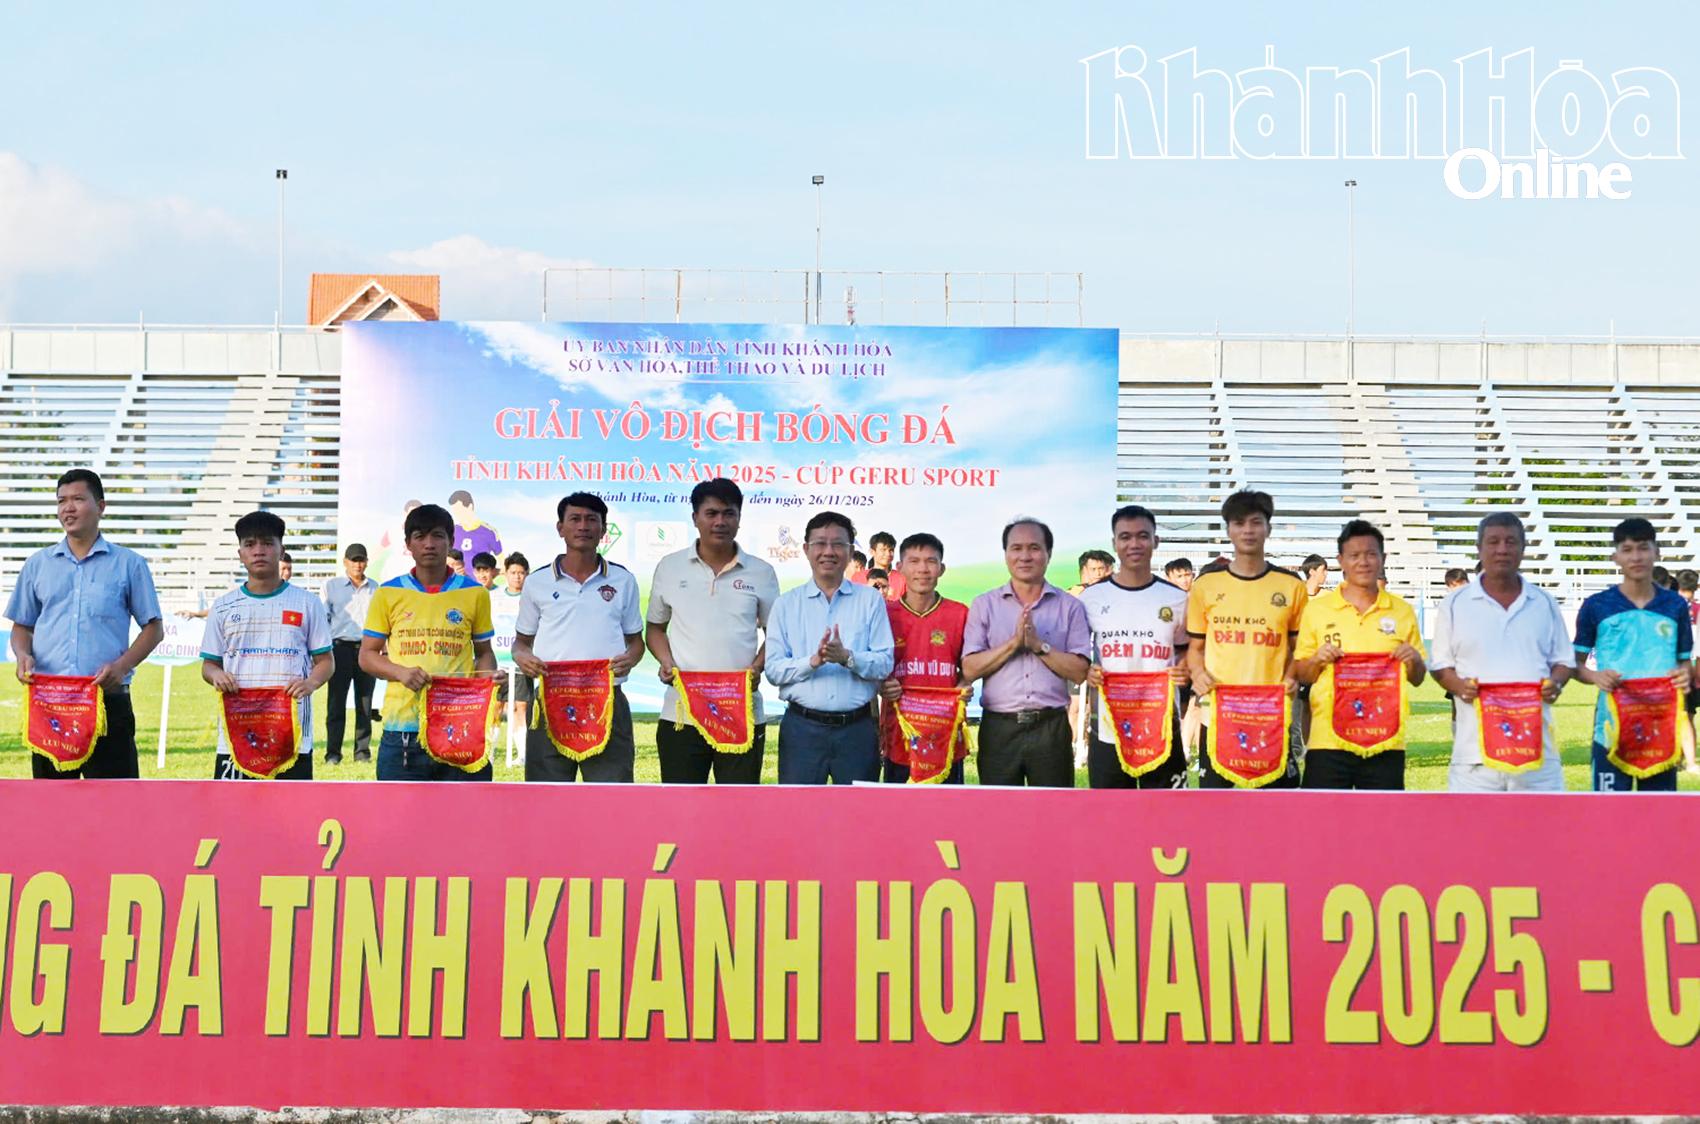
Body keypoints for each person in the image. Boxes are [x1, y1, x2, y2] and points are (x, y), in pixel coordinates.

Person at [6, 468, 163, 779]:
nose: (68, 507)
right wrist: (23, 655)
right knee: (52, 805)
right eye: (61, 500)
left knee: (113, 807)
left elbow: (153, 629)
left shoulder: (129, 565)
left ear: (101, 506)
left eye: (78, 499)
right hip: (50, 704)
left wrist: (120, 667)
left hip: (107, 700)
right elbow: (22, 626)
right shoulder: (38, 565)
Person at [646, 478, 780, 784]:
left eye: (729, 513)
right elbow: (654, 628)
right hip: (681, 713)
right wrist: (667, 662)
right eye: (711, 513)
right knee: (680, 810)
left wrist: (757, 667)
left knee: (738, 813)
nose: (720, 521)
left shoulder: (761, 572)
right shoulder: (670, 566)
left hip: (741, 712)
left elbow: (777, 634)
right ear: (695, 518)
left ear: (739, 518)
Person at [1430, 512, 1573, 792]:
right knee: (1472, 836)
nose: (1502, 549)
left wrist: (1555, 683)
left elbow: (1564, 661)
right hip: (1474, 758)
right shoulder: (1455, 604)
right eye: (1493, 541)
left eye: (1510, 542)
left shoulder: (1543, 602)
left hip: (1537, 755)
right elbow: (1440, 665)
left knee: (1545, 835)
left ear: (1523, 548)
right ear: (1479, 548)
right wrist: (1458, 686)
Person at [511, 493, 644, 782]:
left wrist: (630, 660)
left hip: (607, 701)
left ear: (603, 529)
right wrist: (523, 657)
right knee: (546, 799)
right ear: (560, 528)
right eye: (575, 519)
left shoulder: (623, 580)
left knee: (611, 798)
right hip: (550, 699)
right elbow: (521, 643)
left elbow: (636, 642)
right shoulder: (537, 582)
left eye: (591, 520)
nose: (583, 526)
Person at [359, 503, 498, 781]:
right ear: (408, 544)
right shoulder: (388, 593)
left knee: (466, 820)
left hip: (460, 725)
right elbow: (367, 656)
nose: (429, 544)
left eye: (437, 536)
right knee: (400, 822)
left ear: (451, 541)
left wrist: (486, 679)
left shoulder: (475, 594)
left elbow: (484, 653)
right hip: (403, 731)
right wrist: (400, 672)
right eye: (420, 537)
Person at [1185, 489, 1308, 789]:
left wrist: (1293, 677)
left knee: (1278, 816)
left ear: (1269, 527)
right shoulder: (1206, 586)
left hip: (1272, 717)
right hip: (1218, 718)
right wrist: (1198, 673)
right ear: (1228, 529)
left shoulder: (1291, 587)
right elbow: (1195, 648)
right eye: (1239, 523)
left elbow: (1299, 650)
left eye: (1256, 522)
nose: (1248, 530)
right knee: (1215, 817)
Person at [1292, 520, 1426, 790]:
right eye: (1354, 555)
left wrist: (1413, 660)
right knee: (1320, 826)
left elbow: (1419, 678)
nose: (1363, 562)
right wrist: (1317, 659)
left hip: (1385, 739)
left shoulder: (1401, 611)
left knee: (1382, 827)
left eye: (1371, 554)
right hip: (1327, 740)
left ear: (1383, 558)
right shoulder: (1318, 610)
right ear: (1341, 561)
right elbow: (1301, 672)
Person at [200, 511, 333, 780]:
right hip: (236, 736)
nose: (258, 551)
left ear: (281, 549)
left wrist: (311, 683)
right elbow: (209, 665)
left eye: (267, 543)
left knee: (290, 818)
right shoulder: (223, 606)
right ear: (240, 553)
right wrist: (216, 675)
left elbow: (326, 662)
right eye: (250, 544)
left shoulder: (307, 603)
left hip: (291, 734)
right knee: (233, 817)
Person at [766, 511, 895, 784]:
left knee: (859, 818)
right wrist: (812, 662)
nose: (829, 551)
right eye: (820, 543)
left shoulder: (870, 601)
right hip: (802, 729)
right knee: (798, 816)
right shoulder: (786, 604)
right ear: (805, 549)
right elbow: (774, 670)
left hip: (857, 731)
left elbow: (884, 662)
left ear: (850, 552)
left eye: (838, 544)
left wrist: (847, 657)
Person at [964, 517, 1092, 787]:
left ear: (1048, 554)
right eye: (1016, 548)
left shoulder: (1069, 606)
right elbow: (970, 668)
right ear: (1006, 554)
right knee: (998, 815)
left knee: (1053, 815)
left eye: (1034, 548)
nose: (1025, 556)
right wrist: (1013, 644)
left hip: (1051, 727)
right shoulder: (985, 605)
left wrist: (1038, 646)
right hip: (999, 728)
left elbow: (1080, 672)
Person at [1572, 518, 1696, 791]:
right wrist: (1595, 676)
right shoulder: (1597, 605)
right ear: (1615, 556)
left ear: (1656, 552)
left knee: (1658, 818)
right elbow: (1574, 664)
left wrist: (1683, 676)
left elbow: (1684, 660)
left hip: (1660, 729)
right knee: (1609, 819)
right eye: (1627, 549)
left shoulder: (1675, 605)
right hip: (1611, 728)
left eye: (1643, 548)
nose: (1636, 556)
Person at [1080, 505, 1191, 789]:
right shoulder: (1091, 598)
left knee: (1169, 819)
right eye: (1125, 537)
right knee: (1110, 822)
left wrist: (1185, 667)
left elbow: (1188, 649)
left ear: (1156, 541)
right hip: (1109, 728)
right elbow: (1078, 655)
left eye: (1142, 536)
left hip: (1163, 725)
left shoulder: (1177, 599)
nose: (1134, 544)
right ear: (1114, 543)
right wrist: (1087, 670)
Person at [877, 533, 970, 783]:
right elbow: (872, 669)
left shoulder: (959, 613)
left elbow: (971, 667)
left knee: (948, 816)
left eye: (930, 561)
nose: (923, 569)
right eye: (914, 561)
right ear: (899, 569)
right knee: (898, 817)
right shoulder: (884, 614)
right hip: (900, 735)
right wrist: (880, 686)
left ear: (942, 568)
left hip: (945, 735)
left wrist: (964, 685)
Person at [321, 543, 378, 764]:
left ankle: (362, 753)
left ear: (366, 562)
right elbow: (323, 619)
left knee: (365, 704)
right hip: (339, 649)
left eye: (361, 560)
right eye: (353, 560)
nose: (358, 564)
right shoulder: (331, 586)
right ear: (345, 562)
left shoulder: (376, 588)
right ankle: (333, 753)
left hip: (366, 650)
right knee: (336, 704)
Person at [497, 552, 533, 730]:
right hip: (497, 664)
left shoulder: (532, 599)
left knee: (521, 707)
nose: (517, 577)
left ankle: (523, 755)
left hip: (520, 663)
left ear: (527, 574)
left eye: (521, 573)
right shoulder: (493, 597)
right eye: (513, 572)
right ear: (505, 573)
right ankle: (490, 753)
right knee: (495, 707)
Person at [449, 489, 504, 559]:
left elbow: (502, 562)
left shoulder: (489, 532)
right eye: (454, 511)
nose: (456, 514)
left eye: (459, 510)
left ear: (470, 507)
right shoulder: (452, 531)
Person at [866, 531, 907, 598]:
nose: (888, 554)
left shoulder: (902, 579)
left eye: (891, 550)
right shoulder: (858, 577)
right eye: (883, 550)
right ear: (872, 552)